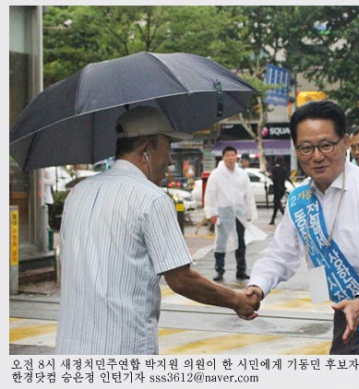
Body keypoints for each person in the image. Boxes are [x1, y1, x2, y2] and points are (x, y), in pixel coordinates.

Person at [55, 106, 259, 355]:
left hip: (70, 350)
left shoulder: (78, 193)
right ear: (145, 151)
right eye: (168, 148)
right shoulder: (151, 199)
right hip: (124, 349)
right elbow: (182, 280)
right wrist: (236, 300)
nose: (171, 161)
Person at [246, 100, 359, 355]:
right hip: (345, 314)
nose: (316, 156)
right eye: (306, 148)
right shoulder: (300, 199)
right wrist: (257, 288)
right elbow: (280, 255)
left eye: (326, 145)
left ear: (345, 142)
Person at [204, 146, 257, 282]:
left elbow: (248, 194)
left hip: (239, 212)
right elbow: (210, 194)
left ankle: (241, 270)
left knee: (240, 242)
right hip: (223, 212)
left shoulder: (241, 174)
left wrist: (249, 211)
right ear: (223, 157)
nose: (230, 158)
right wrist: (211, 213)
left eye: (232, 155)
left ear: (236, 156)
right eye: (227, 155)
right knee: (221, 241)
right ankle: (219, 270)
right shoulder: (216, 174)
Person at [269, 155, 294, 225]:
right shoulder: (284, 169)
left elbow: (273, 178)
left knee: (277, 203)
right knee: (276, 204)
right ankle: (273, 219)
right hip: (282, 188)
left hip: (276, 189)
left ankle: (285, 217)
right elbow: (287, 178)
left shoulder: (273, 169)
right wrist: (293, 185)